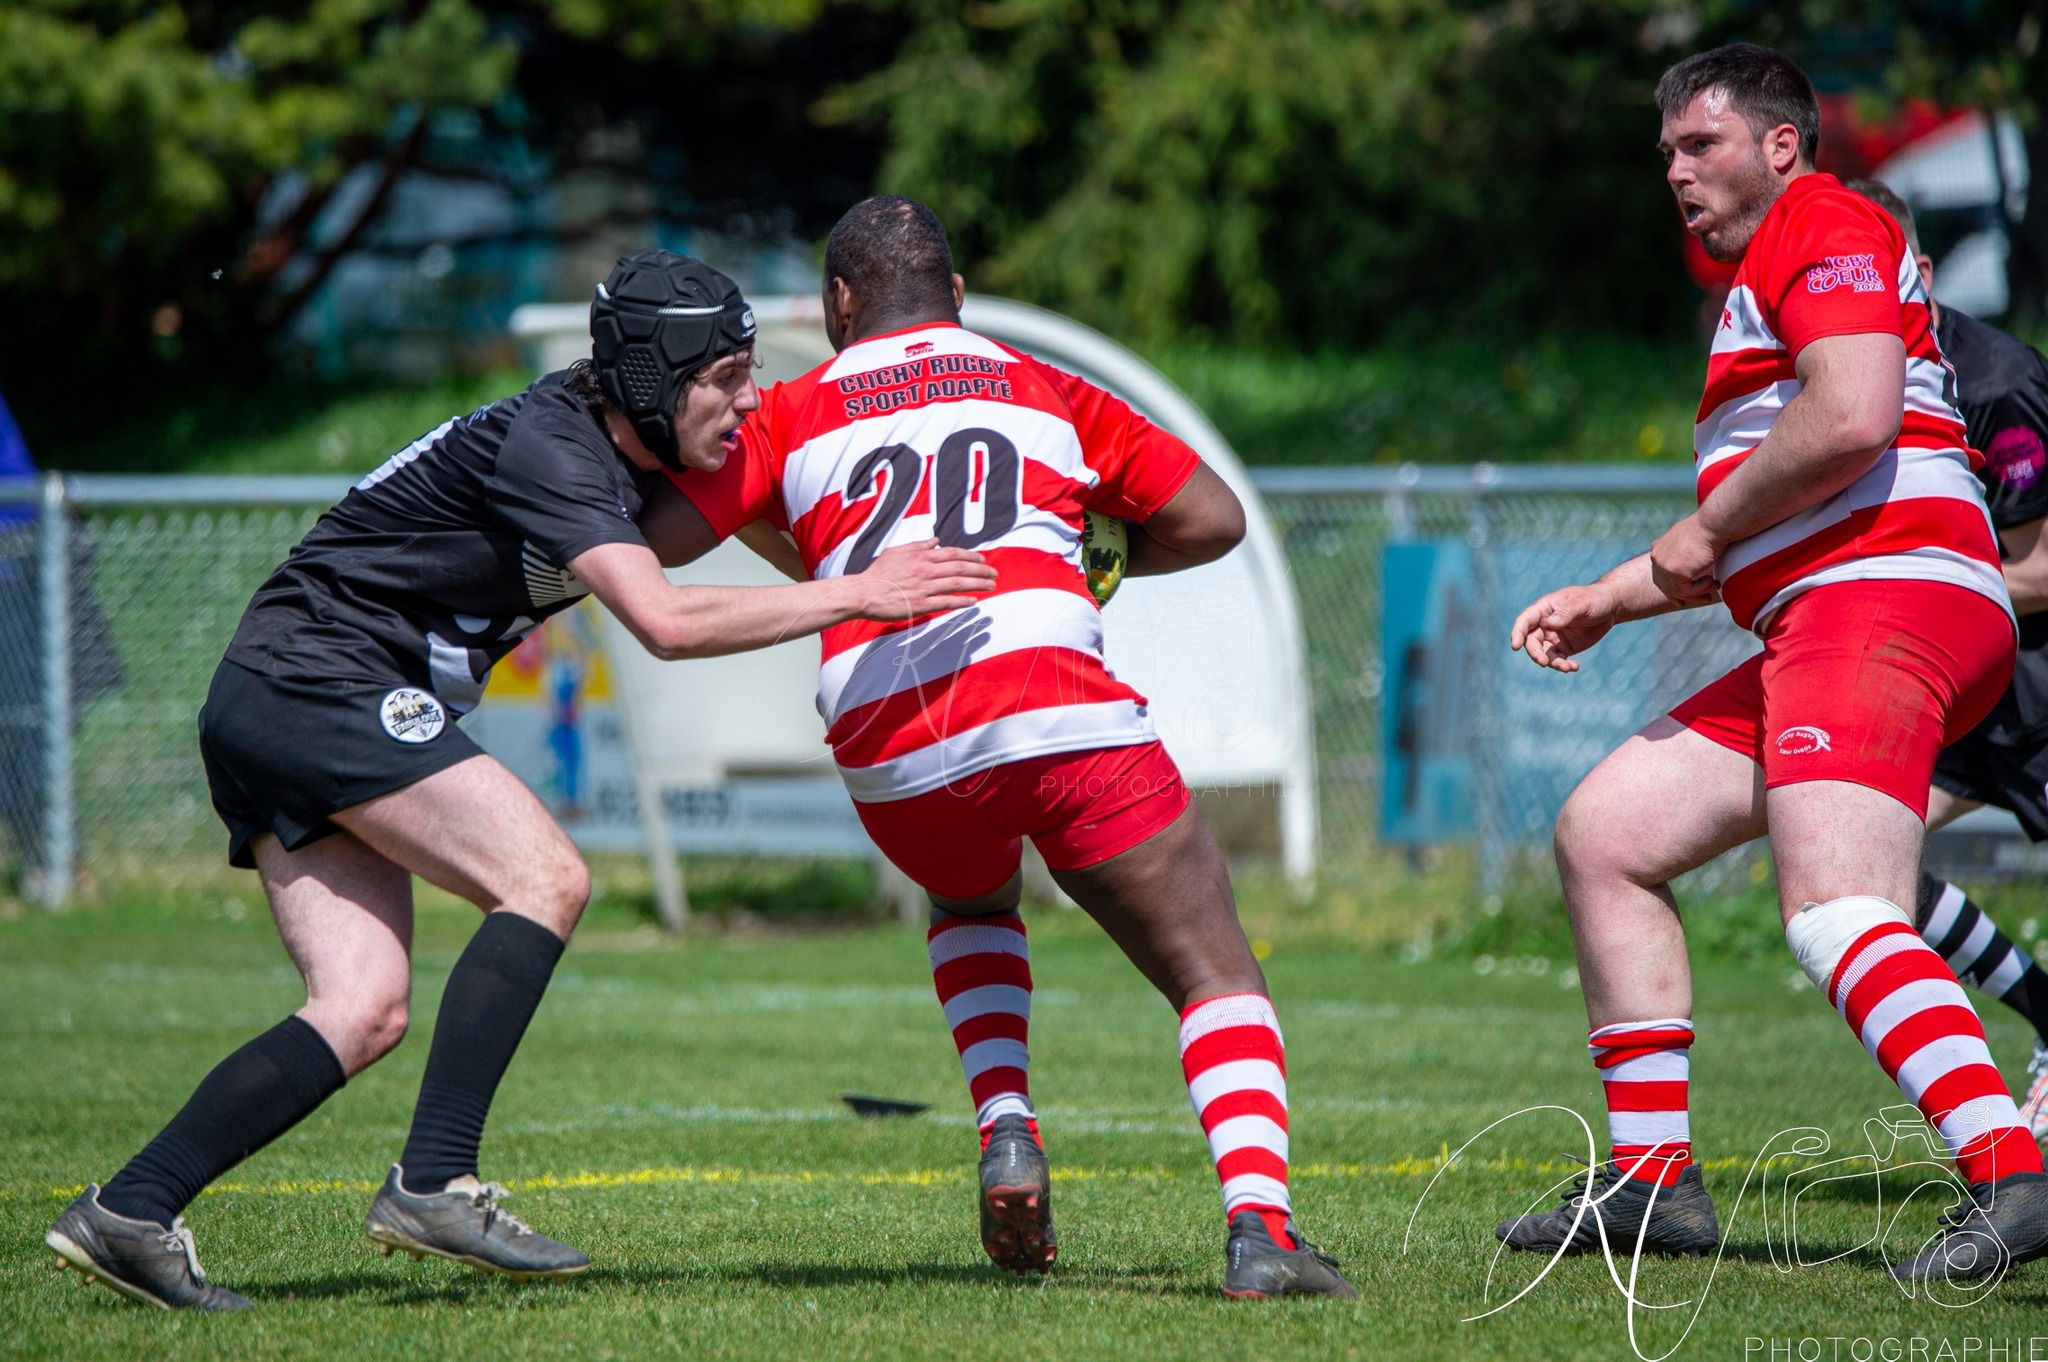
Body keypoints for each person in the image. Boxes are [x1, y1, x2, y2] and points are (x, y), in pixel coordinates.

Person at [42, 250, 996, 1311]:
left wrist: (891, 562)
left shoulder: (633, 442)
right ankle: (435, 1181)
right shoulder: (555, 445)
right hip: (317, 681)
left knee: (360, 1008)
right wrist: (863, 594)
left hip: (286, 691)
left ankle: (130, 1211)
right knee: (544, 877)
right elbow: (668, 624)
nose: (749, 396)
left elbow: (769, 524)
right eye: (726, 375)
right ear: (651, 376)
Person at [661, 195, 1358, 1300]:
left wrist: (808, 534)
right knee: (1209, 963)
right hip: (1050, 700)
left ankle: (1005, 1120)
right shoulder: (1043, 383)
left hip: (884, 733)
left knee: (973, 904)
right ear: (960, 298)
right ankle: (1260, 1234)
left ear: (839, 304)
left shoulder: (791, 411)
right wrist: (1096, 554)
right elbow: (1215, 519)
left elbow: (661, 534)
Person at [1498, 43, 2048, 1281]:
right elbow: (1754, 517)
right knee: (1607, 834)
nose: (1676, 174)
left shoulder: (1824, 217)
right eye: (1665, 157)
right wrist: (1603, 600)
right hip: (1835, 607)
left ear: (1781, 144)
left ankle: (2012, 1174)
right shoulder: (1773, 260)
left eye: (1700, 146)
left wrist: (1699, 530)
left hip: (1878, 599)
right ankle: (1651, 1186)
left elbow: (1849, 413)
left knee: (1833, 908)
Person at [1845, 178, 2048, 1150]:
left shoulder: (1992, 382)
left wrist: (1902, 578)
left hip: (2035, 681)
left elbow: (2037, 569)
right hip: (1956, 682)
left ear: (1916, 274)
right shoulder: (1840, 377)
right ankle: (2041, 1008)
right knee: (1852, 864)